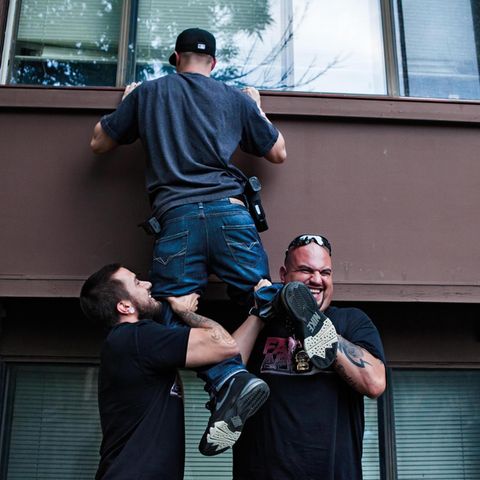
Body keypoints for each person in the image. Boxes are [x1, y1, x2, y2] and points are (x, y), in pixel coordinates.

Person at [89, 27, 286, 455]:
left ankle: (228, 379)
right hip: (231, 214)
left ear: (176, 58)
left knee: (170, 310)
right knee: (258, 295)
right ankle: (285, 304)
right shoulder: (233, 97)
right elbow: (278, 153)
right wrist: (257, 109)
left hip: (176, 218)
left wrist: (127, 104)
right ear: (213, 63)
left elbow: (98, 143)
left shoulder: (150, 94)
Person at [79, 264, 269, 479]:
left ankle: (229, 390)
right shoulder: (135, 337)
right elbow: (224, 346)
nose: (148, 284)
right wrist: (184, 311)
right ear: (124, 306)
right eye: (137, 282)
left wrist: (258, 314)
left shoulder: (135, 345)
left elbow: (229, 355)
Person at [232, 234, 387, 480]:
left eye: (325, 272)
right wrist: (259, 314)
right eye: (305, 270)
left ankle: (313, 324)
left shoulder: (351, 321)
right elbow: (226, 373)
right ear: (283, 275)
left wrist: (317, 327)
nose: (316, 279)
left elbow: (375, 384)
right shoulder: (262, 323)